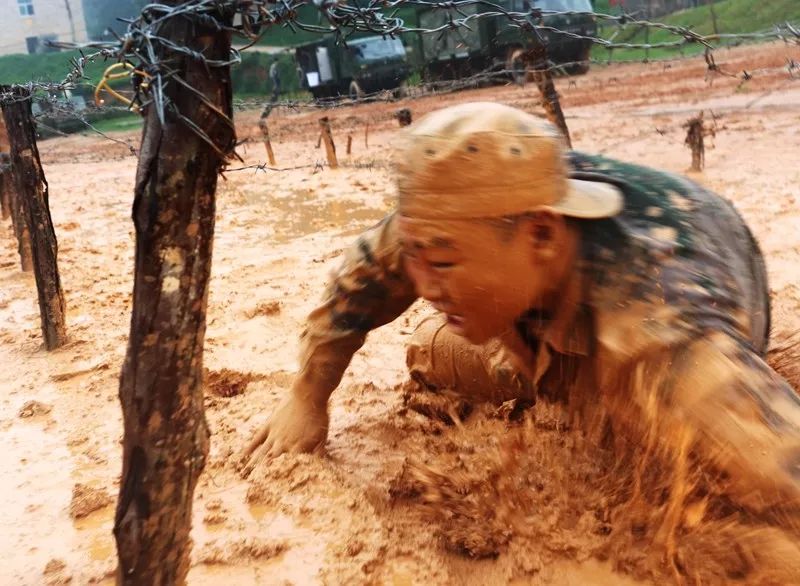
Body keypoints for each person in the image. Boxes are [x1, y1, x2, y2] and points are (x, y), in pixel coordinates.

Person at [242, 102, 800, 510]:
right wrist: (306, 397)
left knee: (659, 458)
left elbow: (784, 466)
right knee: (434, 351)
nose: (424, 285)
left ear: (540, 236)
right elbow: (357, 282)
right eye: (416, 257)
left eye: (442, 263)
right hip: (537, 304)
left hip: (678, 298)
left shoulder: (664, 337)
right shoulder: (443, 220)